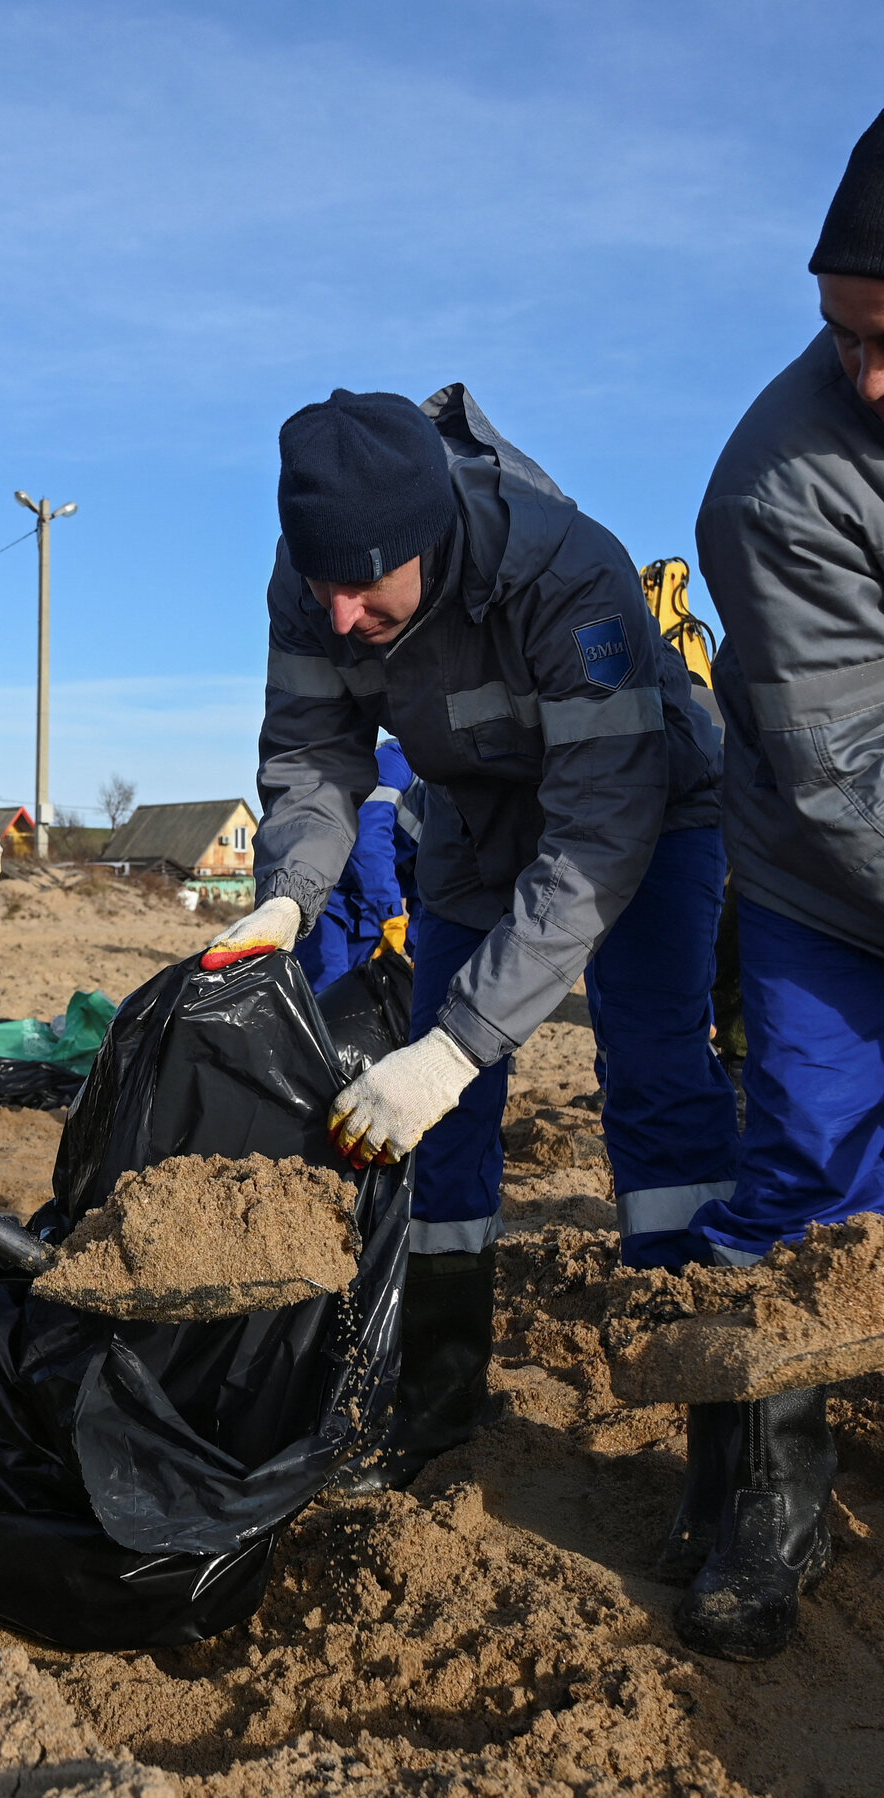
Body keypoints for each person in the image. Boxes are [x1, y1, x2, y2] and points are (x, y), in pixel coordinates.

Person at [208, 385, 733, 1497]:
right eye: (321, 586)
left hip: (640, 812)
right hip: (471, 819)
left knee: (655, 1078)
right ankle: (440, 1391)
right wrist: (290, 896)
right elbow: (311, 754)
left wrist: (458, 1044)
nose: (338, 614)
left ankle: (711, 1430)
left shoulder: (566, 570)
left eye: (363, 587)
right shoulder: (315, 583)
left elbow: (599, 831)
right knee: (438, 1126)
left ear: (431, 540)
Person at [678, 109, 884, 1661]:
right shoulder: (780, 486)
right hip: (831, 865)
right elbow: (839, 772)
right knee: (811, 1164)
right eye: (841, 335)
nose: (865, 377)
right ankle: (763, 1492)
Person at [293, 736, 419, 992]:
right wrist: (391, 913)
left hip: (368, 905)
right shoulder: (397, 761)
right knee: (327, 986)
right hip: (324, 887)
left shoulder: (457, 800)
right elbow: (369, 838)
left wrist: (420, 950)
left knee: (356, 995)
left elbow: (429, 883)